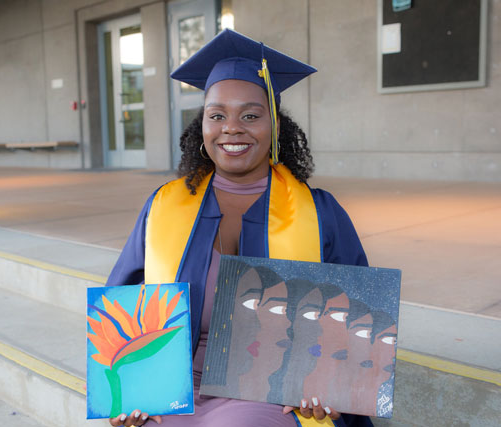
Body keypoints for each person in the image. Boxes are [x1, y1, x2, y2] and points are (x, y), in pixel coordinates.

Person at [105, 28, 371, 427]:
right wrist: (127, 393)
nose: (232, 128)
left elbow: (355, 318)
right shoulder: (163, 207)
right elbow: (123, 303)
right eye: (217, 115)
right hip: (173, 391)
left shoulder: (319, 214)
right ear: (203, 127)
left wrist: (328, 387)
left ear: (275, 126)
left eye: (250, 114)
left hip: (269, 392)